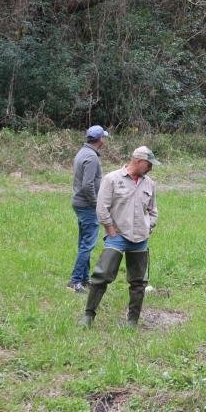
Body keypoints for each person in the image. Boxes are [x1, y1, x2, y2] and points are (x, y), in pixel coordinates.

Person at [82, 146, 160, 328]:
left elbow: (153, 210)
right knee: (102, 275)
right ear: (138, 161)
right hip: (117, 236)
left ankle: (132, 321)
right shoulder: (112, 179)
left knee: (138, 282)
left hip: (140, 238)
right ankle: (88, 316)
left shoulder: (150, 183)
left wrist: (149, 225)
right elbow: (102, 207)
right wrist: (109, 227)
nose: (150, 169)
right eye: (149, 165)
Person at [68, 125, 110, 292]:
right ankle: (75, 281)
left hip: (80, 203)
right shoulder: (91, 157)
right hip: (87, 205)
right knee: (87, 244)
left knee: (84, 243)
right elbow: (87, 185)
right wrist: (96, 204)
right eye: (104, 137)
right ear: (100, 139)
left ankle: (84, 279)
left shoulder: (82, 152)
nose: (105, 139)